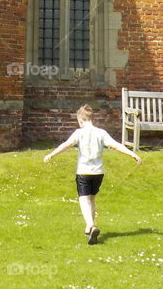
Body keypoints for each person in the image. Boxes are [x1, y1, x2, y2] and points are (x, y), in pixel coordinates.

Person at [43, 104, 142, 244]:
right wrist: (131, 153)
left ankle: (91, 225)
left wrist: (51, 154)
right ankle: (89, 228)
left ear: (80, 119)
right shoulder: (101, 132)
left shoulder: (79, 133)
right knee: (92, 199)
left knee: (83, 199)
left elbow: (66, 145)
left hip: (83, 172)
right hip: (98, 173)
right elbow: (115, 145)